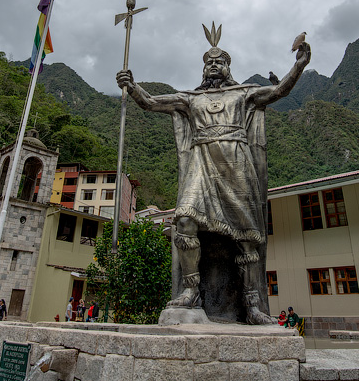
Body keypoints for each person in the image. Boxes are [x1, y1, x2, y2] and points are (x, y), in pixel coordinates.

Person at [117, 25, 311, 324]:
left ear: (228, 66)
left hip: (237, 166)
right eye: (208, 61)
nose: (213, 65)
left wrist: (298, 66)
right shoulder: (190, 99)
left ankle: (252, 307)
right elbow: (152, 103)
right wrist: (132, 86)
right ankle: (191, 291)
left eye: (219, 61)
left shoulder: (243, 94)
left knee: (247, 238)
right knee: (184, 220)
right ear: (204, 67)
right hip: (202, 164)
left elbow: (278, 91)